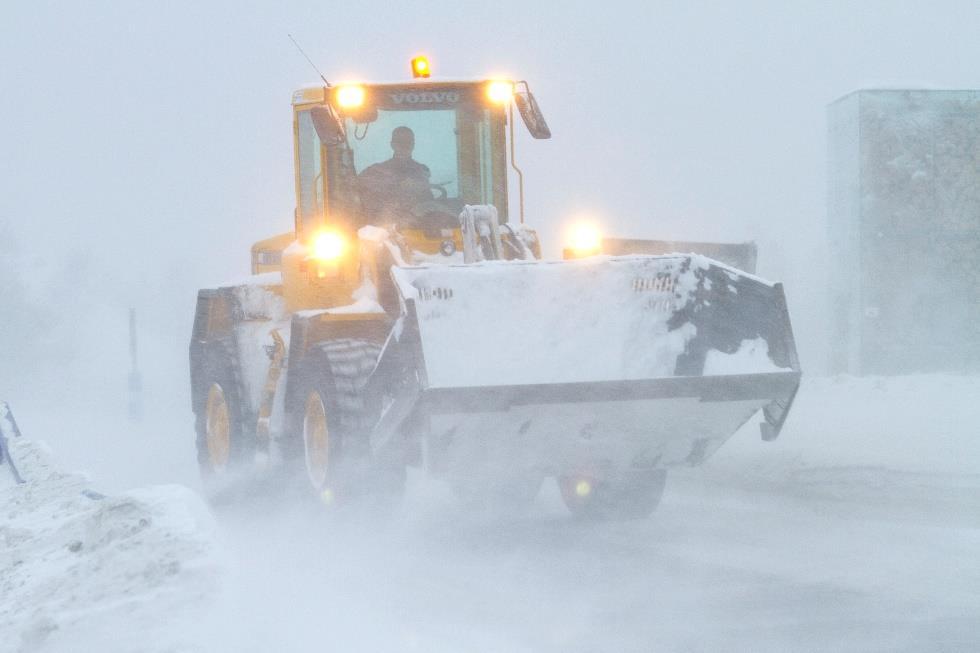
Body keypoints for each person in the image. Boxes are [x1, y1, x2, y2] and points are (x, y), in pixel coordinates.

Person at [357, 126, 433, 220]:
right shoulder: (375, 170)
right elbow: (358, 188)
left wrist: (416, 189)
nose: (404, 145)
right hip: (383, 227)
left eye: (408, 142)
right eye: (400, 142)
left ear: (413, 145)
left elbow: (428, 202)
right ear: (392, 145)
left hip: (417, 226)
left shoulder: (421, 171)